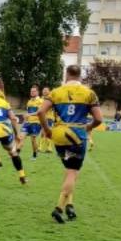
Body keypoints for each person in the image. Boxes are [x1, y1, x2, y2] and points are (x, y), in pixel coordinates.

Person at [37, 65, 102, 224]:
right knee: (73, 172)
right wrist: (88, 127)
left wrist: (47, 130)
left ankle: (70, 205)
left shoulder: (55, 92)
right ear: (80, 76)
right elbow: (99, 119)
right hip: (77, 136)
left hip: (59, 135)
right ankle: (59, 207)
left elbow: (40, 112)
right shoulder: (89, 93)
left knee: (69, 170)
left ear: (66, 75)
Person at [23, 85, 45, 160]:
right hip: (28, 122)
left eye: (34, 91)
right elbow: (27, 112)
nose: (32, 92)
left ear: (38, 92)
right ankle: (15, 152)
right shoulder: (29, 101)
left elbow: (39, 112)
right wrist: (25, 119)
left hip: (36, 122)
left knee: (33, 139)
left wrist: (29, 114)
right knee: (21, 137)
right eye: (31, 91)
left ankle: (35, 155)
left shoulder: (41, 101)